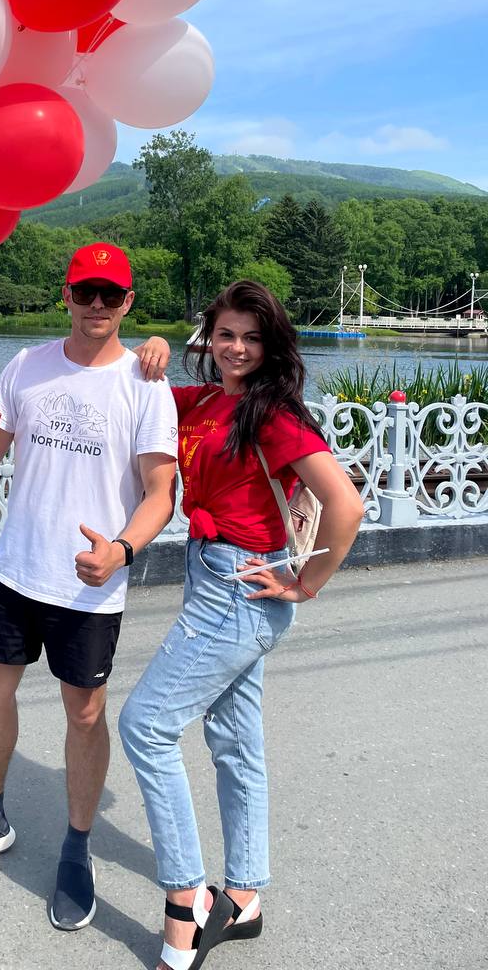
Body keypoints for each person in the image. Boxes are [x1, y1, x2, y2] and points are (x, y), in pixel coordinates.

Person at [0, 242, 179, 933]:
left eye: (111, 294)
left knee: (84, 714)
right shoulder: (26, 365)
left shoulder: (145, 384)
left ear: (128, 302)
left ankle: (77, 846)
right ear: (66, 295)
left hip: (91, 580)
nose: (97, 305)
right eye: (85, 291)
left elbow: (161, 492)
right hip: (17, 567)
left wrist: (122, 550)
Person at [118, 281, 365, 970]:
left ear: (272, 346)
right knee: (235, 741)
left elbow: (345, 505)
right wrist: (149, 347)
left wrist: (305, 583)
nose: (237, 348)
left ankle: (187, 899)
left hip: (239, 588)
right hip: (211, 573)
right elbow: (121, 399)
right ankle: (245, 897)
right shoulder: (202, 402)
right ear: (209, 337)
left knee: (145, 726)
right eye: (226, 334)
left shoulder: (273, 414)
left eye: (252, 338)